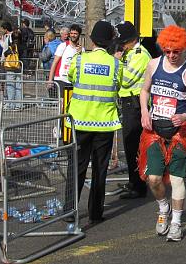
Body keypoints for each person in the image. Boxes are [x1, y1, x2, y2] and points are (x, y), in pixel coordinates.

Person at [138, 25, 186, 242]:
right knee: (154, 179)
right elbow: (144, 90)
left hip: (179, 134)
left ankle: (176, 223)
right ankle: (163, 209)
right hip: (154, 131)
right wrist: (145, 112)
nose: (172, 55)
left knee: (177, 181)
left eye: (176, 51)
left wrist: (185, 116)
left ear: (184, 48)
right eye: (168, 51)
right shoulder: (153, 65)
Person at [61, 20, 121, 226]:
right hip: (104, 123)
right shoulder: (115, 64)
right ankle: (95, 211)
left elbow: (70, 78)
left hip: (79, 121)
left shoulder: (79, 60)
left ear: (93, 40)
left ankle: (69, 210)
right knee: (99, 169)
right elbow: (118, 86)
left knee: (76, 167)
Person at [115, 21, 152, 200]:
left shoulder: (140, 54)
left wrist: (117, 63)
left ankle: (138, 186)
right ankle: (133, 181)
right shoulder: (130, 53)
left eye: (125, 41)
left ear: (133, 39)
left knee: (133, 145)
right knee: (129, 145)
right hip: (129, 103)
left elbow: (126, 79)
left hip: (135, 104)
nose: (122, 45)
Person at [48, 25, 82, 92]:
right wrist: (50, 80)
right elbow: (54, 63)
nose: (73, 35)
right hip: (61, 79)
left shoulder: (82, 49)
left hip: (74, 81)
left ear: (79, 35)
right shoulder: (63, 46)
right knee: (62, 102)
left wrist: (81, 53)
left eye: (75, 34)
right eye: (71, 33)